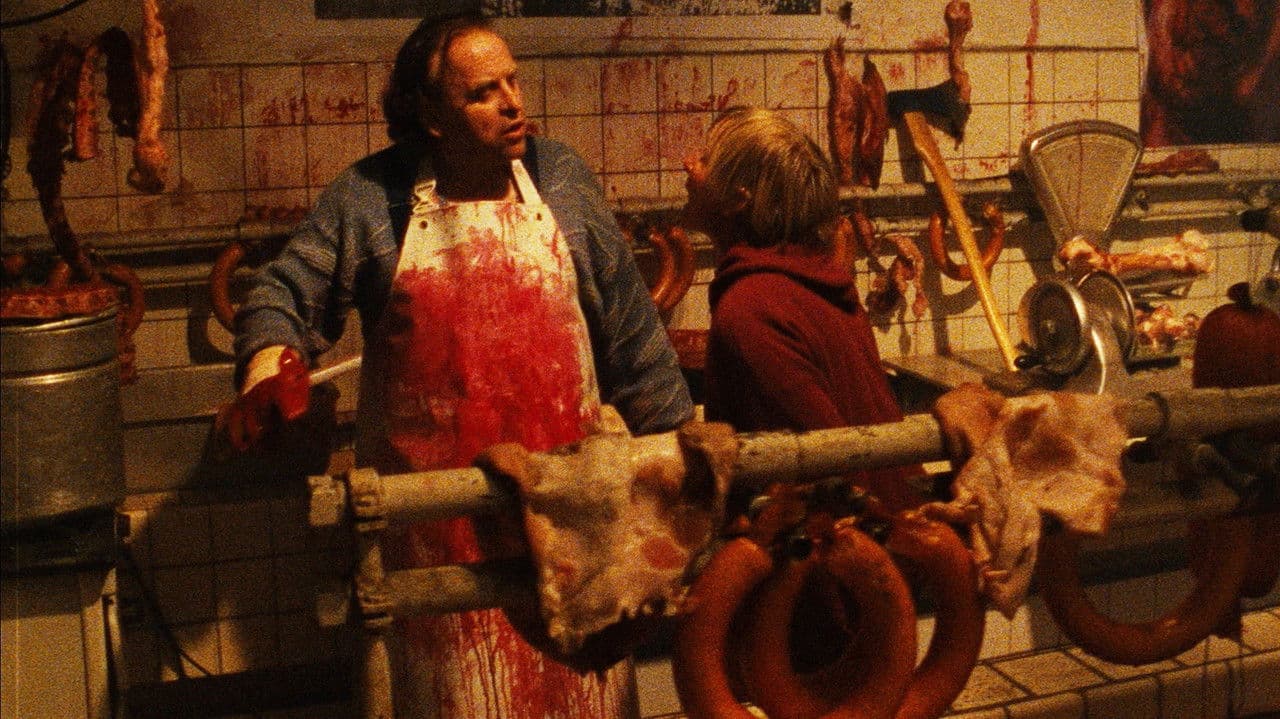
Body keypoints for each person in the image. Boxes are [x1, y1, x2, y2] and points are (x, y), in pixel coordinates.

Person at [222, 13, 692, 718]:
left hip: (569, 524)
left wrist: (687, 469)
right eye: (482, 93)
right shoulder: (372, 199)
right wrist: (268, 366)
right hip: (434, 538)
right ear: (431, 115)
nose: (512, 103)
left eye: (513, 82)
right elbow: (283, 293)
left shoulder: (560, 180)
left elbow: (635, 340)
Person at [682, 106, 920, 512]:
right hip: (901, 514)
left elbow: (832, 468)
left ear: (738, 198)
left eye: (705, 160)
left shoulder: (751, 307)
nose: (688, 163)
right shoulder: (815, 278)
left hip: (863, 534)